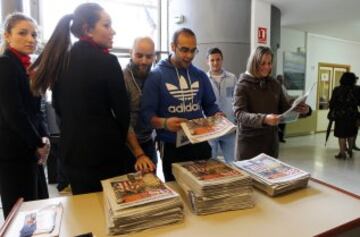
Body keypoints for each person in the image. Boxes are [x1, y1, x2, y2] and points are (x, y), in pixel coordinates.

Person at [30, 3, 138, 195]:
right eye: (106, 25)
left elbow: (59, 109)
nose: (112, 31)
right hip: (105, 152)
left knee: (85, 208)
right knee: (112, 205)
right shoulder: (108, 62)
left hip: (73, 152)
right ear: (87, 29)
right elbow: (122, 112)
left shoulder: (60, 60)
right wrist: (116, 140)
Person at [141, 28, 221, 181]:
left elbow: (210, 105)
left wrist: (217, 115)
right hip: (172, 145)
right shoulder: (156, 76)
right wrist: (164, 123)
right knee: (178, 191)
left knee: (205, 187)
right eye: (184, 50)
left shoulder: (200, 75)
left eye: (193, 51)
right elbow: (146, 115)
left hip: (199, 142)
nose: (189, 56)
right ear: (173, 47)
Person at [0, 13, 49, 218]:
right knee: (20, 212)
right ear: (7, 36)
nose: (31, 39)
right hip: (14, 153)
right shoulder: (5, 64)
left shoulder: (25, 66)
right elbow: (14, 112)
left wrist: (45, 137)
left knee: (36, 206)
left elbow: (37, 110)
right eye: (23, 33)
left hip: (29, 149)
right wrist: (38, 142)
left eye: (34, 35)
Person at [233, 46, 311, 160]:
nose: (267, 67)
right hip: (249, 145)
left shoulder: (274, 84)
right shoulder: (242, 85)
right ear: (254, 63)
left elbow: (285, 108)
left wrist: (304, 109)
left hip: (270, 144)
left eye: (269, 63)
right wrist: (264, 119)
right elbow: (240, 114)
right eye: (263, 63)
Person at [123, 37, 156, 172]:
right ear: (131, 53)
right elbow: (123, 120)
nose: (144, 61)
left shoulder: (154, 76)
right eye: (139, 55)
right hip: (127, 146)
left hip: (148, 142)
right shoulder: (122, 78)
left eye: (148, 56)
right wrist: (139, 154)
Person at [206, 47, 236, 163]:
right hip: (211, 129)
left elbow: (236, 101)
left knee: (233, 162)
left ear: (222, 60)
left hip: (228, 127)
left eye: (218, 59)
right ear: (207, 62)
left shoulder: (232, 78)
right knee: (210, 162)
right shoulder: (203, 79)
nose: (215, 63)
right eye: (212, 60)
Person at [328, 72, 360, 159]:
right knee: (351, 133)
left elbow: (332, 103)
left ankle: (342, 153)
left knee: (341, 135)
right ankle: (350, 150)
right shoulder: (357, 89)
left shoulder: (337, 89)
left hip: (340, 116)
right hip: (353, 115)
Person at [276, 74, 292, 143]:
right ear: (277, 80)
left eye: (282, 79)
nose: (282, 81)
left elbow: (286, 95)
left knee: (283, 124)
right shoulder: (276, 87)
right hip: (278, 109)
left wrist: (292, 98)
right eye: (280, 79)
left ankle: (281, 138)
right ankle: (277, 138)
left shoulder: (283, 87)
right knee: (278, 124)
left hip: (284, 109)